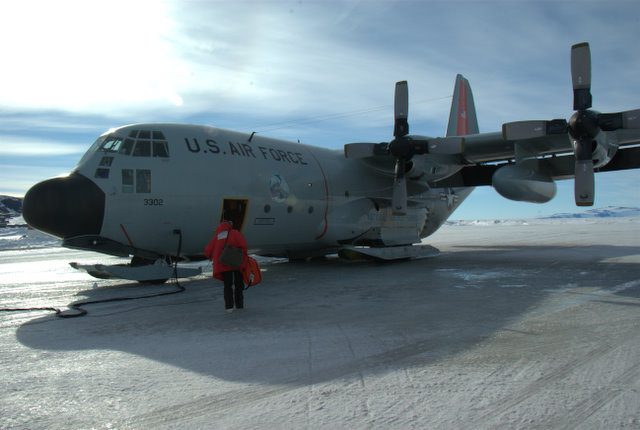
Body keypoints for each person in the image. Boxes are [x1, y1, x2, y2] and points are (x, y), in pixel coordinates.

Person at [204, 221, 248, 313]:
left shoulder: (217, 236)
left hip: (223, 264)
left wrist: (210, 256)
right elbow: (243, 245)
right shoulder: (235, 233)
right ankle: (239, 305)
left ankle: (229, 307)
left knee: (227, 286)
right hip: (236, 263)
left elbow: (208, 250)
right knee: (238, 284)